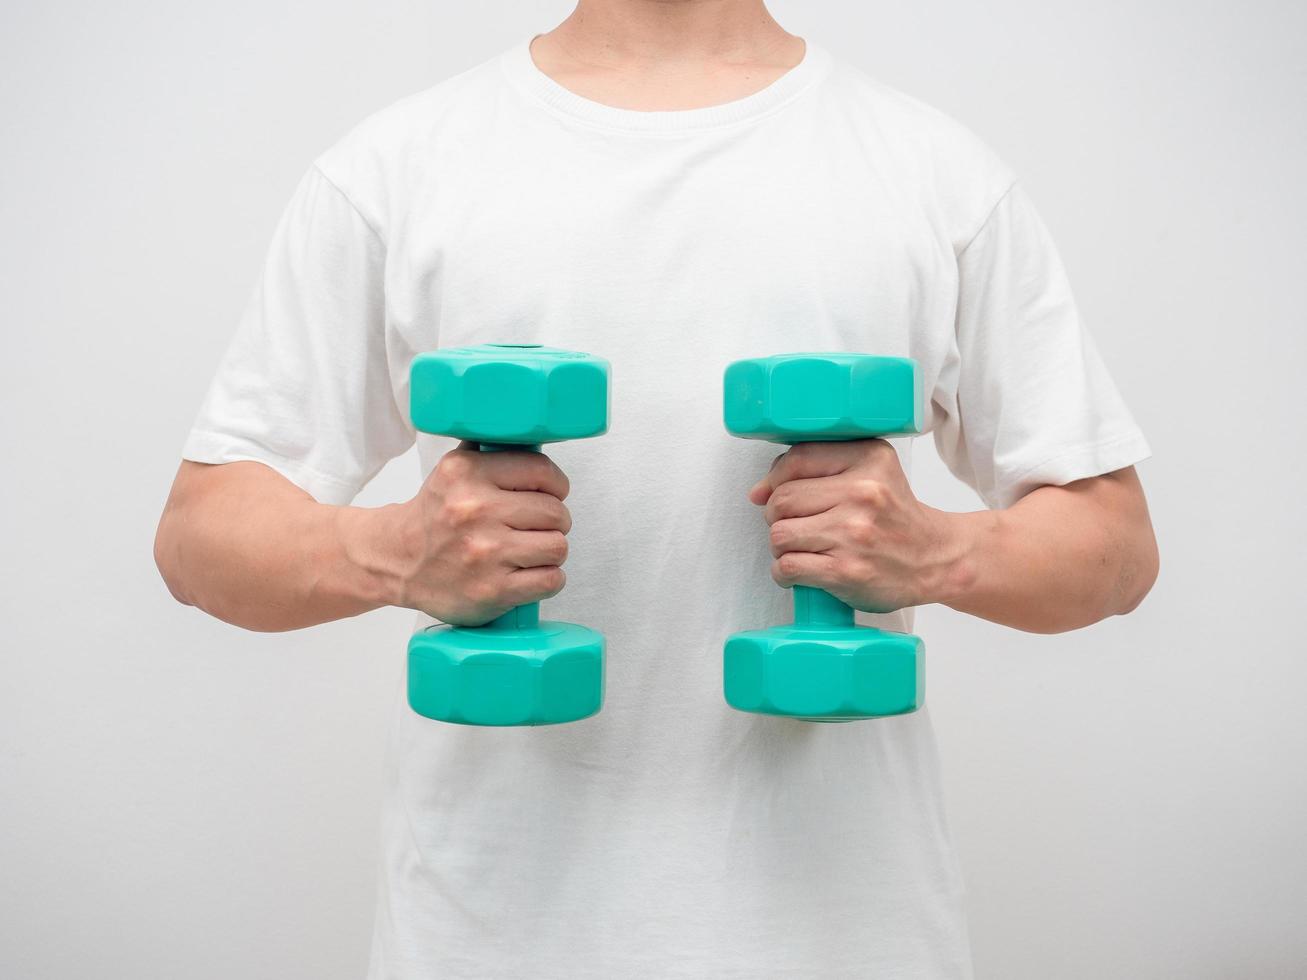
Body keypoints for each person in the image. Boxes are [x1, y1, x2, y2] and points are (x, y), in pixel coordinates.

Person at [153, 1, 1159, 976]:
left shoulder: (931, 173)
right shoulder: (394, 170)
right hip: (487, 939)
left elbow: (1114, 548)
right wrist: (390, 552)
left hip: (845, 940)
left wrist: (936, 550)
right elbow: (200, 537)